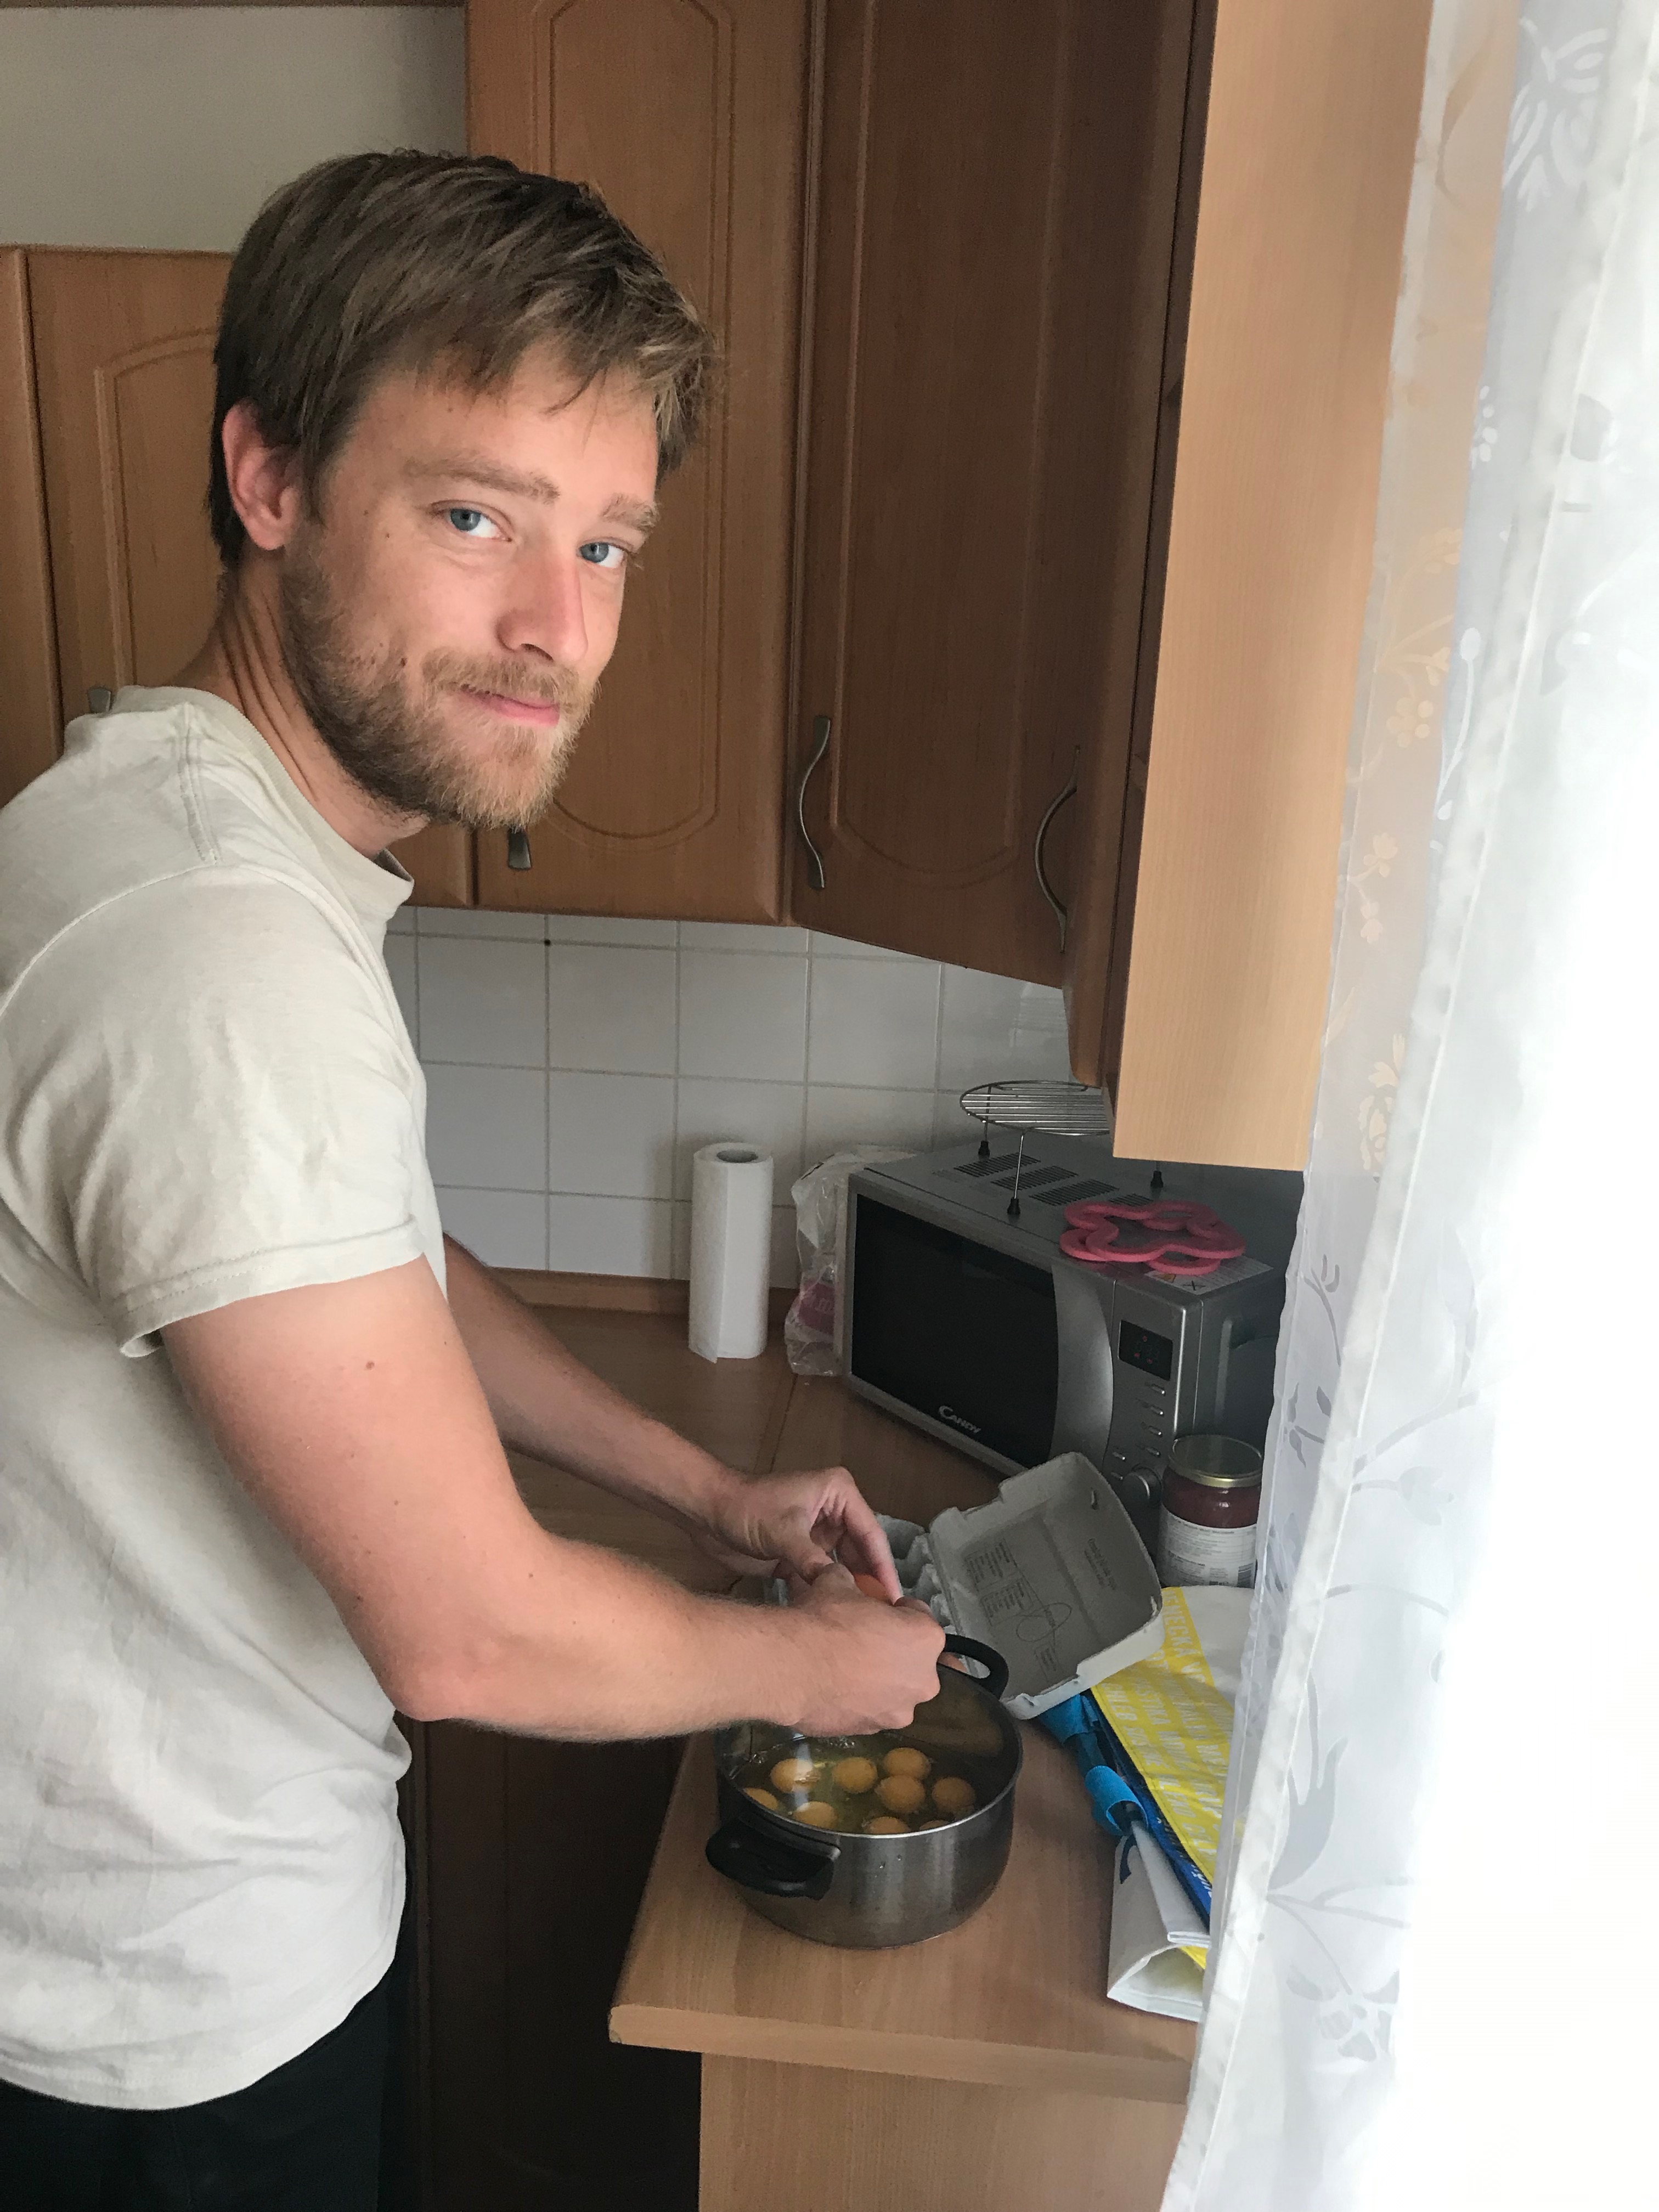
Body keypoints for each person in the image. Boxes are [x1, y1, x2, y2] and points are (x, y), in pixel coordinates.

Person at [0, 151, 944, 2209]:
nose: (558, 632)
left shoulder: (183, 820)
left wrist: (703, 1490)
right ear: (268, 479)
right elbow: (472, 1636)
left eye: (608, 544)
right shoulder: (216, 950)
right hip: (145, 2015)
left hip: (137, 1937)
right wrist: (831, 1667)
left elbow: (386, 1256)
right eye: (474, 518)